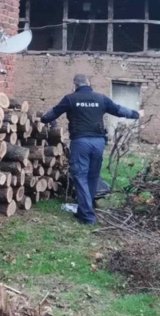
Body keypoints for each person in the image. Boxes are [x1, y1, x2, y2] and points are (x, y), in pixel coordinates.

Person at [40, 73, 142, 224]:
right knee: (92, 176)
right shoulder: (101, 98)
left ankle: (87, 217)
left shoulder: (70, 98)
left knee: (80, 177)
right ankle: (85, 209)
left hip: (81, 142)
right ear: (89, 84)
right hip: (98, 142)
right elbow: (119, 110)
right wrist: (136, 114)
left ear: (74, 85)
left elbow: (48, 116)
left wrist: (44, 118)